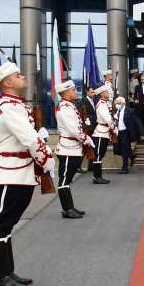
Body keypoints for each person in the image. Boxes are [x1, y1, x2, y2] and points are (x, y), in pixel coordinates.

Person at [0, 60, 55, 286]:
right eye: (17, 75)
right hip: (10, 173)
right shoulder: (9, 107)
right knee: (0, 223)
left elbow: (30, 138)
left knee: (8, 223)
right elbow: (29, 139)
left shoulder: (16, 105)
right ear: (7, 83)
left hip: (20, 172)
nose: (23, 77)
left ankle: (7, 271)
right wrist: (48, 161)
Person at [54, 80, 91, 219]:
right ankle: (67, 210)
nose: (77, 91)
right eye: (74, 90)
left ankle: (70, 207)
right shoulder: (65, 108)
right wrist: (86, 139)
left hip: (72, 148)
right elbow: (73, 130)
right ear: (67, 93)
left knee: (67, 179)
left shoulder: (69, 106)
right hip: (67, 148)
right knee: (65, 179)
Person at [91, 83, 117, 184]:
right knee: (98, 155)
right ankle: (96, 177)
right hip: (101, 132)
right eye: (106, 91)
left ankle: (98, 176)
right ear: (101, 94)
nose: (108, 92)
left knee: (100, 155)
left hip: (104, 132)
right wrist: (115, 129)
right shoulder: (101, 104)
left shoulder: (105, 103)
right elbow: (107, 118)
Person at [113, 96, 144, 174]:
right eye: (116, 103)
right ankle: (131, 154)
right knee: (117, 149)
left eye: (119, 103)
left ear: (123, 104)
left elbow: (138, 122)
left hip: (126, 132)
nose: (117, 105)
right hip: (117, 132)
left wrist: (142, 133)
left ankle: (125, 167)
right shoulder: (115, 111)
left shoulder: (130, 111)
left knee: (124, 148)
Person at [83, 85, 97, 171]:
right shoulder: (84, 101)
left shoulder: (94, 101)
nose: (93, 94)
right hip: (88, 126)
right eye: (91, 92)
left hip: (93, 126)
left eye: (94, 92)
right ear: (87, 92)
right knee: (86, 146)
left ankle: (91, 165)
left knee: (92, 146)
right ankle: (78, 166)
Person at [133, 73, 144, 140]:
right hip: (140, 108)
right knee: (142, 122)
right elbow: (135, 96)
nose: (143, 81)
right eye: (141, 79)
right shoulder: (137, 87)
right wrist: (135, 100)